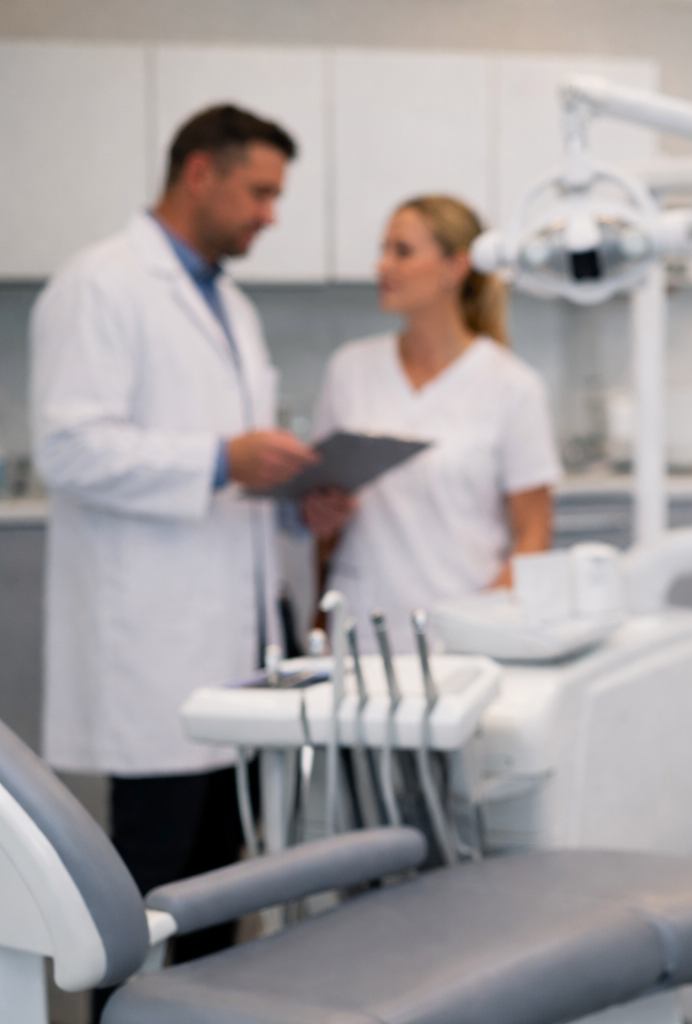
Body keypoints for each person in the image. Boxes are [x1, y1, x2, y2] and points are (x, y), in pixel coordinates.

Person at [31, 105, 315, 966]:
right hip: (152, 651)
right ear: (200, 172)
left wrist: (297, 493)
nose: (271, 213)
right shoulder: (101, 284)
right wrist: (221, 458)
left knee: (216, 887)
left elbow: (232, 464)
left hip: (232, 650)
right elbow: (69, 447)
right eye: (259, 192)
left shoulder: (227, 300)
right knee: (148, 893)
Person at [303, 195, 560, 649]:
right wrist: (320, 514)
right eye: (383, 250)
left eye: (402, 251)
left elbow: (533, 535)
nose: (382, 266)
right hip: (361, 632)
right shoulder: (350, 369)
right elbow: (323, 513)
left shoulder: (512, 386)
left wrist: (483, 630)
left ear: (455, 267)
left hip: (463, 638)